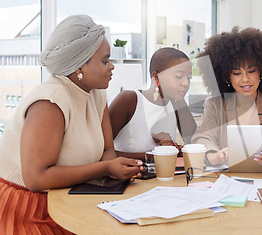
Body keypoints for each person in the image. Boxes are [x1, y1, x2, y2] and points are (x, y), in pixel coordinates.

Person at [0, 15, 143, 233]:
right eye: (105, 61)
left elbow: (107, 150)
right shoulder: (50, 101)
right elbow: (37, 179)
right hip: (28, 208)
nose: (112, 66)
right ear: (80, 66)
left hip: (71, 197)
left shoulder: (96, 93)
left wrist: (115, 173)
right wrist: (106, 168)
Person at [192, 27, 262, 174]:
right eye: (237, 73)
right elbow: (202, 137)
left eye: (251, 71)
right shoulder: (214, 105)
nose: (245, 79)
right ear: (227, 76)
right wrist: (214, 156)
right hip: (225, 181)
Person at [109, 47, 196, 161]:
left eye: (189, 78)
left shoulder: (176, 102)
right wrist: (155, 155)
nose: (186, 83)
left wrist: (175, 149)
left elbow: (195, 144)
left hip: (165, 176)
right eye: (179, 76)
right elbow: (101, 153)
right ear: (156, 77)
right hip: (131, 177)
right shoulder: (129, 99)